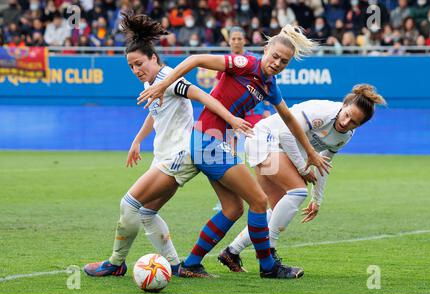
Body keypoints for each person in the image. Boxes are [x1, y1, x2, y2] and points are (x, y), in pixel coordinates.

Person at [138, 24, 331, 279]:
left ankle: (192, 263)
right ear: (265, 50)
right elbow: (196, 59)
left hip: (214, 142)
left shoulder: (269, 85)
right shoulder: (245, 64)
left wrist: (310, 152)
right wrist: (164, 86)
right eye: (274, 57)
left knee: (233, 209)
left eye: (284, 62)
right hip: (208, 140)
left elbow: (289, 118)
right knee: (260, 201)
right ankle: (268, 267)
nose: (277, 63)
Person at [83, 12, 252, 277]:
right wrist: (138, 140)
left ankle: (115, 264)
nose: (137, 70)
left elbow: (201, 96)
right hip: (165, 154)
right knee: (147, 213)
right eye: (131, 67)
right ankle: (175, 266)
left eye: (140, 63)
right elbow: (155, 112)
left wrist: (232, 118)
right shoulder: (154, 82)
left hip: (180, 155)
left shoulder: (170, 78)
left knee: (129, 205)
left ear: (153, 58)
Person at [217, 84, 386, 273]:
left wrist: (317, 199)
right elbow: (286, 133)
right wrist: (302, 169)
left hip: (276, 149)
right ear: (343, 105)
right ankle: (269, 254)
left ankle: (231, 252)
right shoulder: (323, 111)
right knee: (297, 191)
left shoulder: (344, 136)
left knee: (277, 209)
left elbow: (322, 164)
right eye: (347, 115)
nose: (346, 123)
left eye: (354, 122)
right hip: (264, 139)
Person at [212, 26, 272, 212]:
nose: (236, 41)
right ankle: (232, 196)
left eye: (239, 38)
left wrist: (267, 108)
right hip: (233, 118)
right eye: (234, 38)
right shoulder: (224, 63)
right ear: (229, 41)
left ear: (244, 40)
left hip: (253, 116)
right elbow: (215, 91)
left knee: (261, 156)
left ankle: (265, 195)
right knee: (230, 157)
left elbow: (267, 85)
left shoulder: (252, 60)